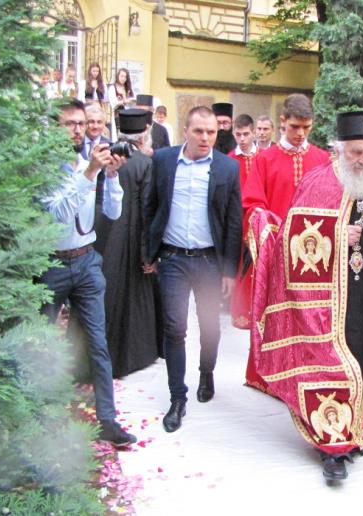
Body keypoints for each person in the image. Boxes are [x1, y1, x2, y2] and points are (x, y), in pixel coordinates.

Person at [246, 110, 363, 481]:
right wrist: (337, 235)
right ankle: (331, 447)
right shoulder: (317, 182)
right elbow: (291, 239)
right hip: (325, 302)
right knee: (329, 363)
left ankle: (355, 430)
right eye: (356, 152)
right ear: (339, 149)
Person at [40, 99, 136, 447]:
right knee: (42, 341)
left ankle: (107, 420)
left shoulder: (89, 164)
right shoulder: (44, 169)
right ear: (54, 128)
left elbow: (112, 212)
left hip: (86, 261)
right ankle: (39, 417)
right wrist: (90, 174)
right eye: (69, 124)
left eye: (81, 123)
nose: (77, 130)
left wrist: (111, 176)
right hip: (51, 264)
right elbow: (58, 215)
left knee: (98, 343)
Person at [144, 106, 242, 433]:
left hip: (209, 261)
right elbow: (150, 207)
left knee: (209, 325)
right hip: (172, 259)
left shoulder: (227, 168)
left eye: (211, 132)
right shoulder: (163, 161)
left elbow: (233, 221)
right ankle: (177, 397)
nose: (205, 138)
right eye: (199, 131)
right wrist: (149, 252)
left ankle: (206, 372)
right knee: (174, 328)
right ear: (185, 130)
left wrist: (229, 270)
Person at [93, 108, 162, 378]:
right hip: (132, 234)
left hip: (102, 233)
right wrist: (148, 254)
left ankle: (97, 355)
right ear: (144, 135)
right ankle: (131, 356)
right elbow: (147, 209)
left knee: (103, 294)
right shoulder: (145, 163)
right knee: (133, 297)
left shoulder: (102, 156)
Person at [242, 93, 331, 223]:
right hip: (275, 234)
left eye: (306, 127)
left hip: (313, 234)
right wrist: (258, 214)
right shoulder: (264, 159)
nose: (301, 133)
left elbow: (330, 202)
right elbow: (252, 201)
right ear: (283, 121)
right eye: (295, 126)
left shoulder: (324, 159)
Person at [227, 114, 257, 329]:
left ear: (253, 133)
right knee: (240, 266)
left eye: (246, 134)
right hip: (237, 219)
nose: (242, 139)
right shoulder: (230, 159)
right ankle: (240, 312)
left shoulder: (263, 157)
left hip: (257, 218)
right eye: (238, 134)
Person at [107, 68, 136, 139]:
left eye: (125, 77)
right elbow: (113, 102)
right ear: (118, 76)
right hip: (118, 114)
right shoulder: (113, 88)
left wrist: (131, 101)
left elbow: (133, 100)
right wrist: (123, 101)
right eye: (122, 76)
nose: (123, 78)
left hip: (128, 115)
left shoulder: (128, 88)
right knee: (118, 135)